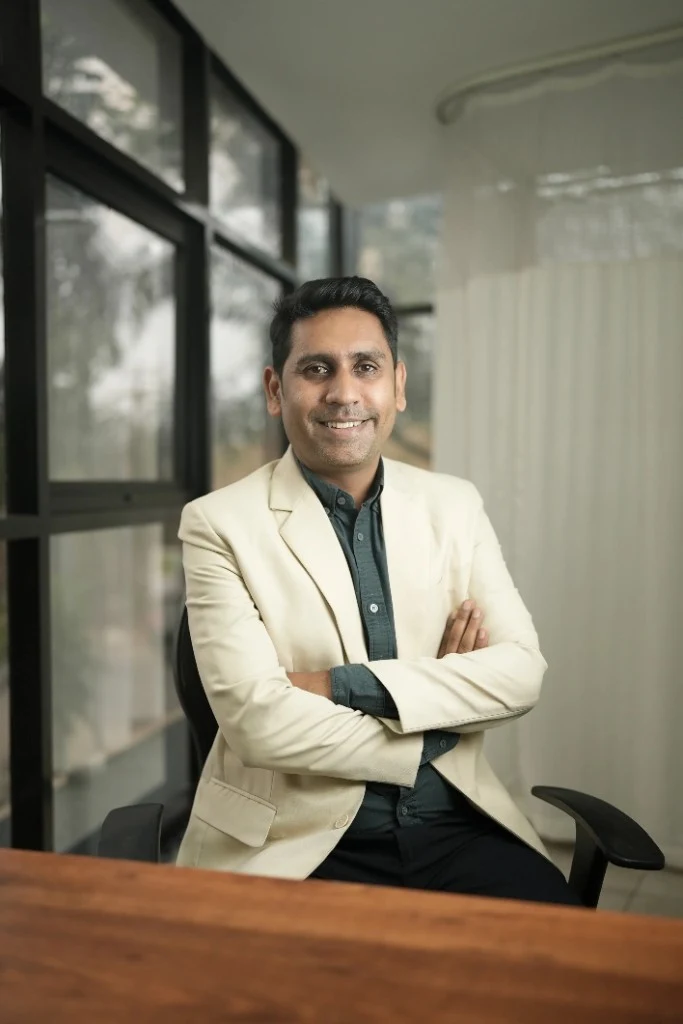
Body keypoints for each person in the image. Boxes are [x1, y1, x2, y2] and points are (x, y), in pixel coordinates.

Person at [176, 276, 578, 906]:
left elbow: (522, 675)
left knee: (556, 972)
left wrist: (333, 685)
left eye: (366, 366)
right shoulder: (218, 523)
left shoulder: (455, 506)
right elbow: (258, 726)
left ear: (398, 385)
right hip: (295, 844)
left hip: (457, 827)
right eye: (316, 368)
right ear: (275, 390)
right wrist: (438, 715)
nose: (344, 392)